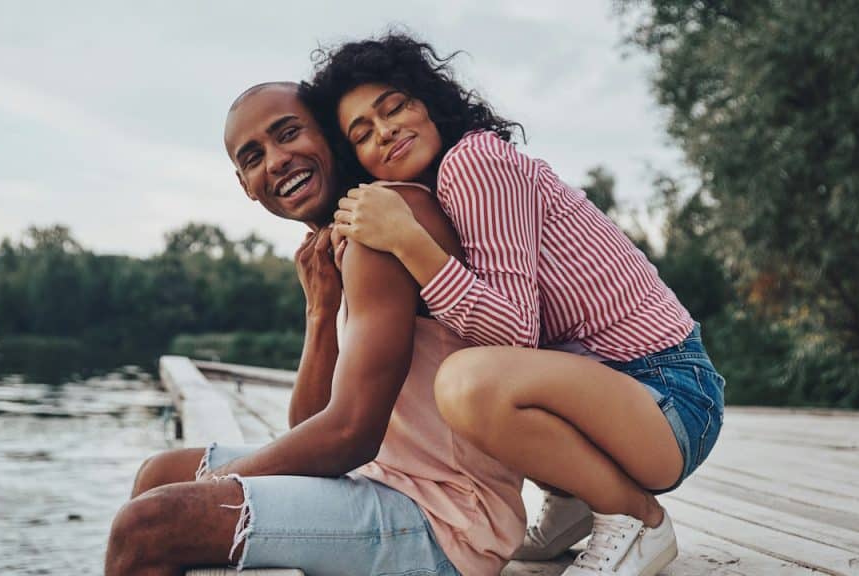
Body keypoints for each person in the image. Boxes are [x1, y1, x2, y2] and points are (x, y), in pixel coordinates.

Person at [305, 33, 726, 576]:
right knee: (464, 378)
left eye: (396, 107)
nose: (385, 131)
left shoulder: (473, 163)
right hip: (630, 397)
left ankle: (637, 517)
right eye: (363, 132)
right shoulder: (437, 192)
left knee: (468, 384)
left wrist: (408, 240)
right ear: (355, 157)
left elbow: (513, 334)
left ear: (429, 103)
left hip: (669, 397)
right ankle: (574, 501)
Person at [104, 82, 527, 576]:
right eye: (254, 157)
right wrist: (321, 314)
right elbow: (308, 425)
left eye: (289, 134)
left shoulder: (385, 220)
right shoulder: (342, 242)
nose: (277, 160)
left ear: (329, 133)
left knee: (149, 525)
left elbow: (349, 435)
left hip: (447, 523)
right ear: (245, 184)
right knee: (159, 473)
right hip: (386, 481)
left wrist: (215, 484)